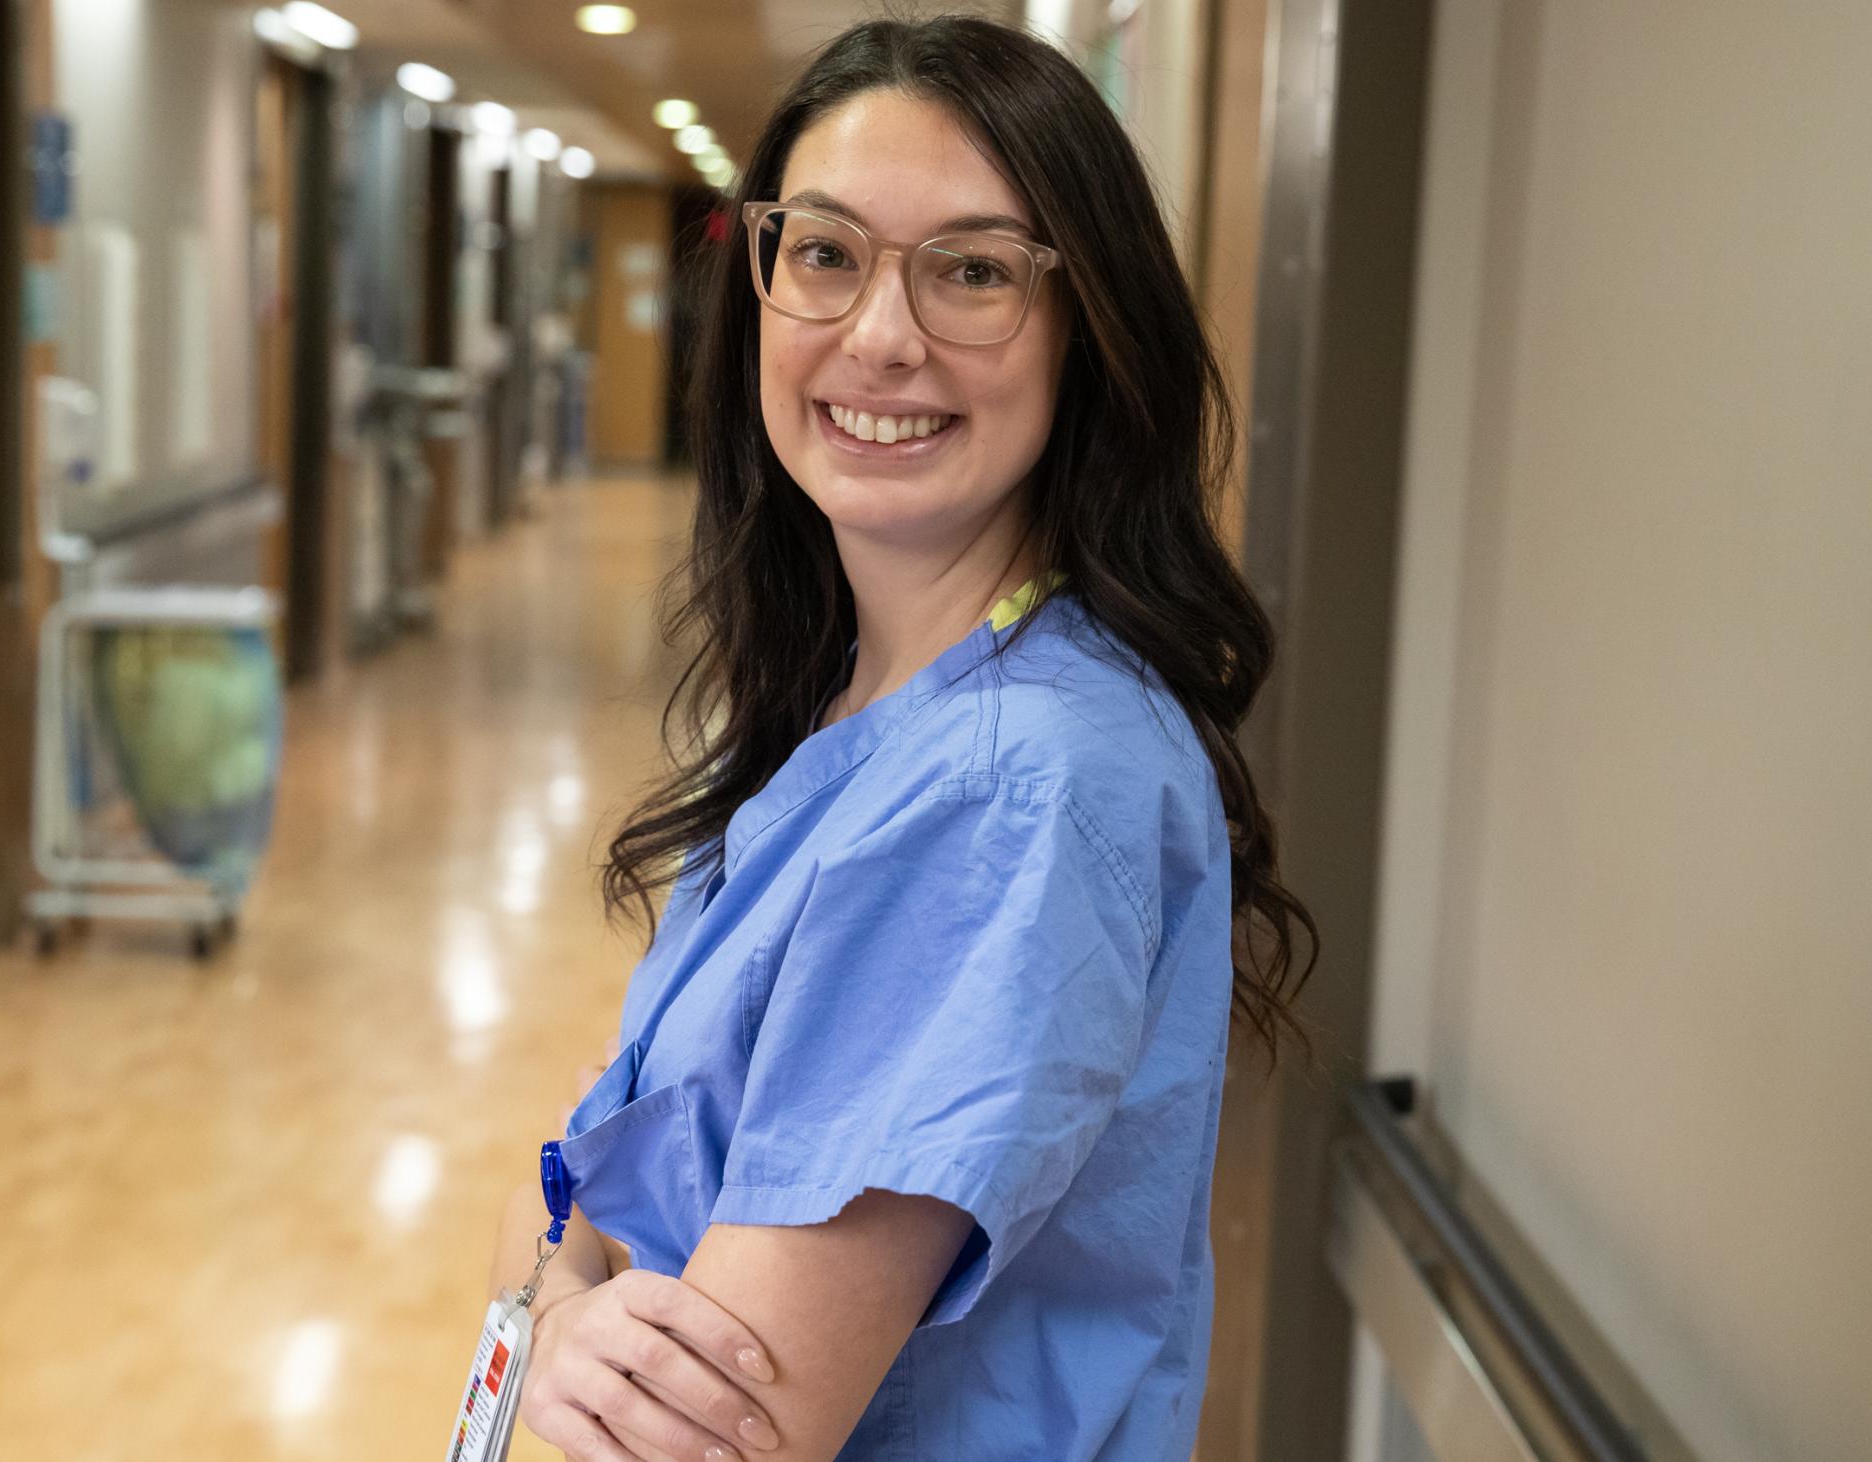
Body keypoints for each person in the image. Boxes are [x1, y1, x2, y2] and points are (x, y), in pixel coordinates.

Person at [486, 15, 1313, 1459]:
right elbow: (570, 1190)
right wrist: (559, 1291)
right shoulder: (863, 699)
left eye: (975, 271)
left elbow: (695, 1425)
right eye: (826, 251)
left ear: (1088, 327)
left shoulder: (1007, 785)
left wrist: (551, 1307)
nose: (881, 334)